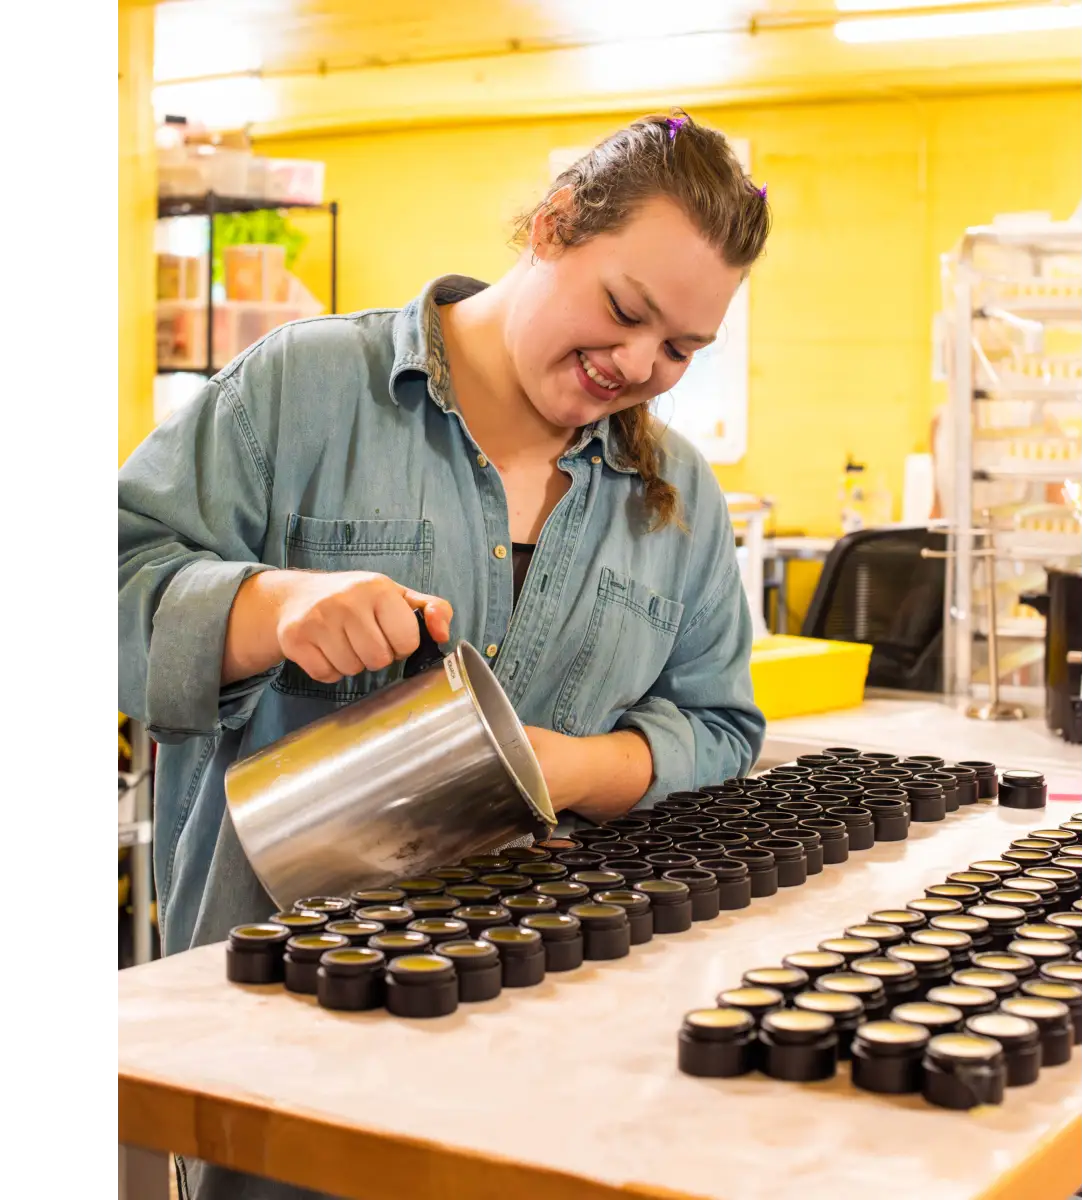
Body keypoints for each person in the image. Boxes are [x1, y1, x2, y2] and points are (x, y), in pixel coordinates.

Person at [114, 110, 771, 1199]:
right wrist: (270, 606)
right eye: (626, 311)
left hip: (550, 1041)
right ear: (554, 227)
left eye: (681, 350)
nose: (637, 364)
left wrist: (570, 767)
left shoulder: (680, 499)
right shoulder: (306, 392)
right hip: (285, 1038)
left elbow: (720, 724)